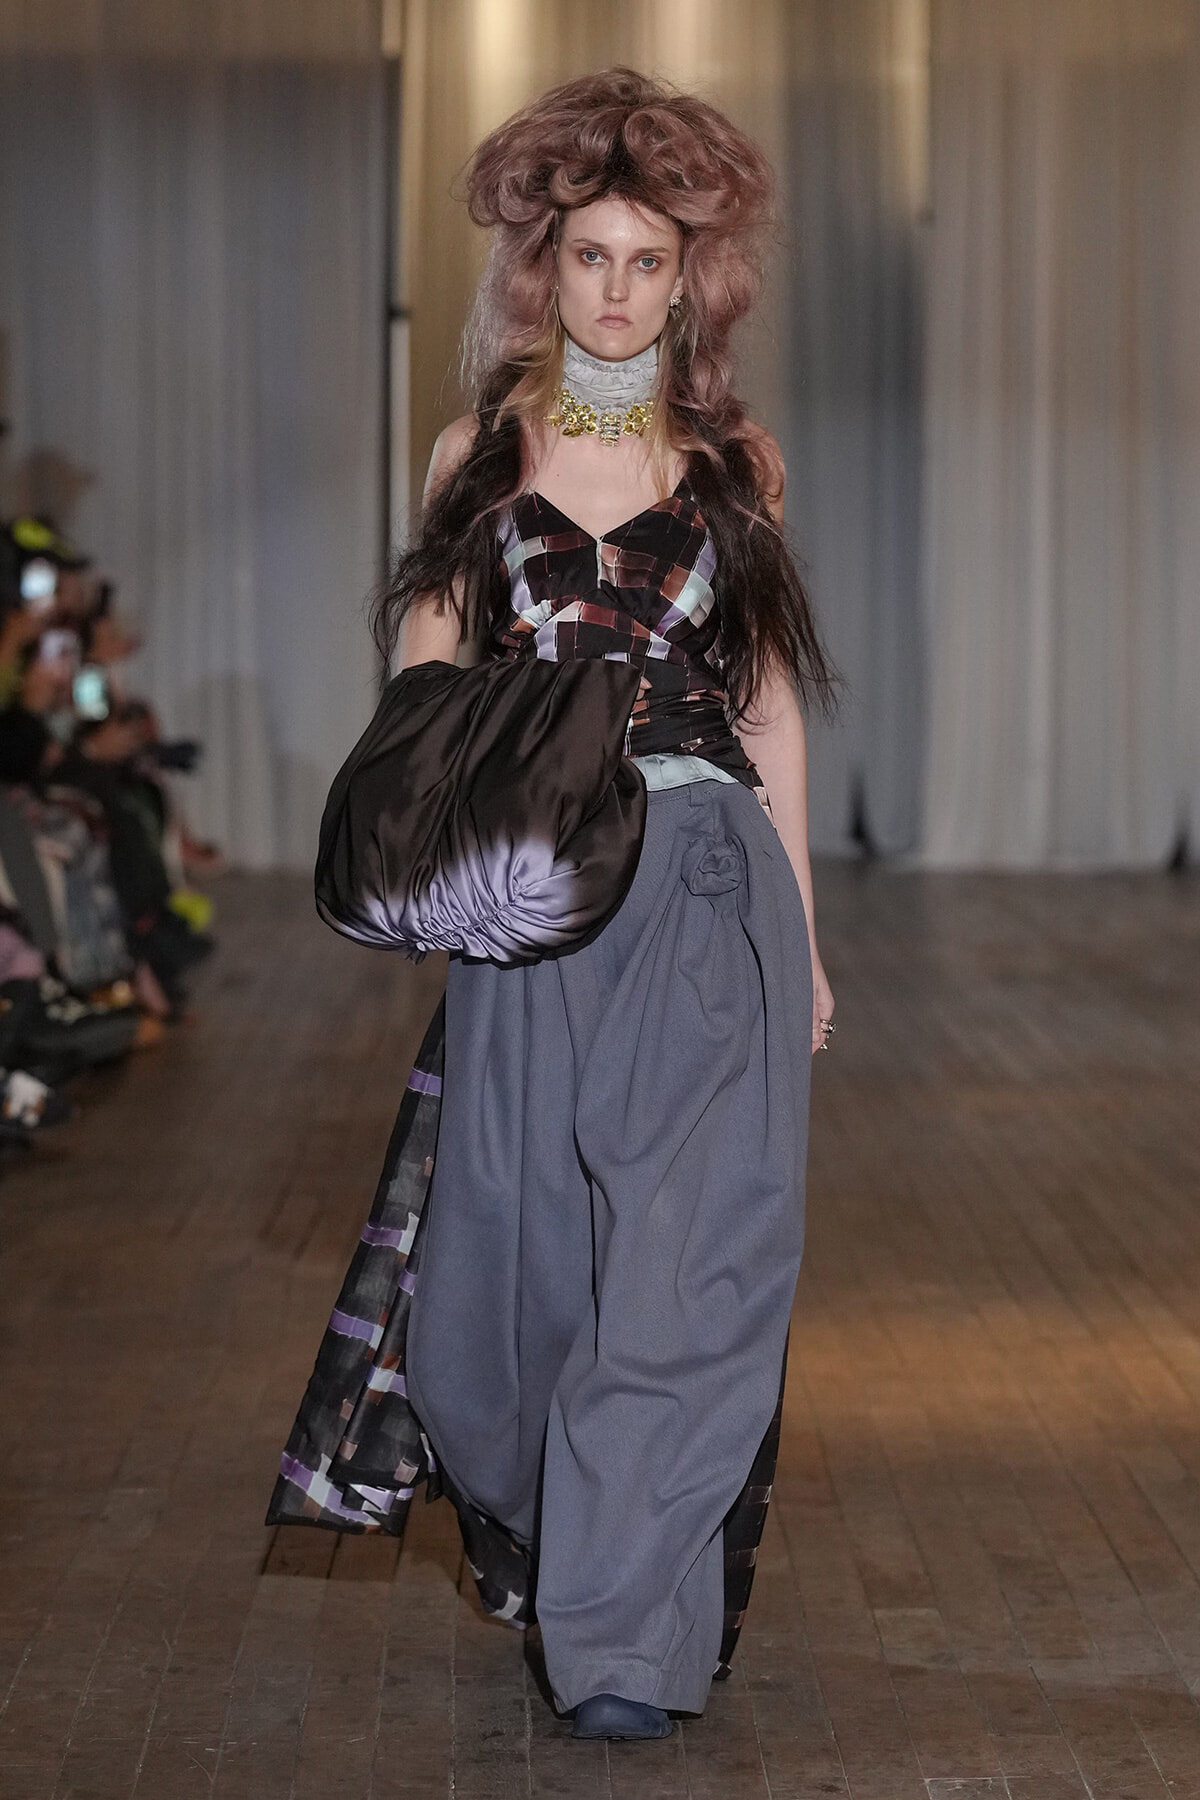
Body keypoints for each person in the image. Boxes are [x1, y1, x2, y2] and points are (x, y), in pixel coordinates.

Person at [274, 67, 837, 1740]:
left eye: (648, 261)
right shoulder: (477, 452)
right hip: (536, 911)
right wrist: (417, 845)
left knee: (690, 1264)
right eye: (592, 255)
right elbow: (426, 670)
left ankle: (622, 1645)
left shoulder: (735, 464)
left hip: (709, 884)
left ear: (689, 278)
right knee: (506, 1291)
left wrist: (806, 943)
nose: (617, 288)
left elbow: (769, 710)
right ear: (546, 265)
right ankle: (557, 1536)